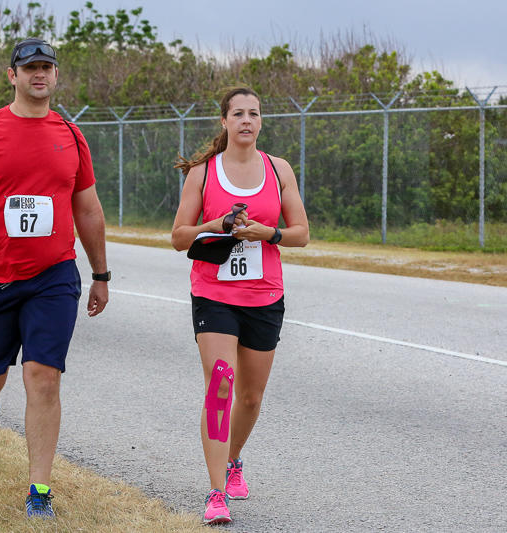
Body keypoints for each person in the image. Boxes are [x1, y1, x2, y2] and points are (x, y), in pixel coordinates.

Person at [0, 37, 110, 519]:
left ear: (56, 75)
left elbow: (88, 209)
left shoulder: (71, 135)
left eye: (47, 67)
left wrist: (100, 273)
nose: (40, 74)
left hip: (52, 277)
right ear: (12, 75)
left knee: (43, 378)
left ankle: (39, 490)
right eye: (30, 67)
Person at [171, 86, 309, 525]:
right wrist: (216, 225)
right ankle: (216, 493)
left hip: (264, 295)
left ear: (261, 121)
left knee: (249, 397)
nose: (247, 120)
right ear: (224, 121)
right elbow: (178, 237)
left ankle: (233, 461)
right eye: (238, 114)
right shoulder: (204, 173)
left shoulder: (278, 169)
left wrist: (268, 233)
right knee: (220, 383)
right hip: (214, 294)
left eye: (254, 113)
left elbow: (302, 233)